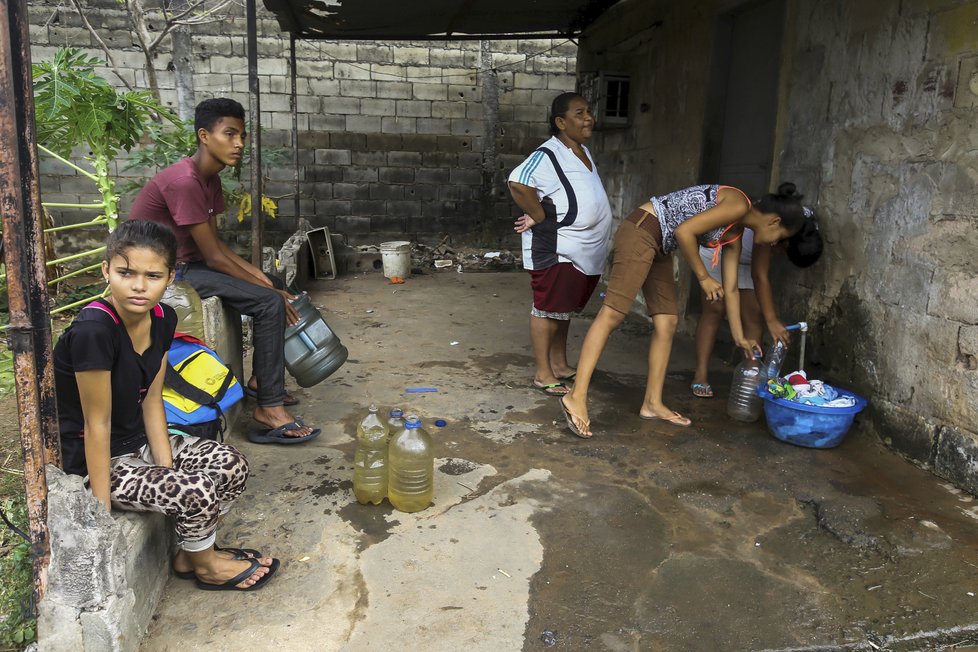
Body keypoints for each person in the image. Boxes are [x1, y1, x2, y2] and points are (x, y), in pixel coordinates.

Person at [54, 220, 280, 591]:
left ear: (171, 277)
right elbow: (97, 425)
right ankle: (207, 566)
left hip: (138, 442)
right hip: (98, 460)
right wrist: (101, 513)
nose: (139, 286)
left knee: (230, 465)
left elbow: (152, 399)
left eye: (153, 275)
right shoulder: (93, 332)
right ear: (106, 270)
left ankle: (191, 553)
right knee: (196, 491)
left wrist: (167, 469)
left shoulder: (162, 319)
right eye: (125, 273)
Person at [129, 98, 318, 445]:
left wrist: (265, 280)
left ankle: (264, 381)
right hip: (163, 274)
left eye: (242, 135)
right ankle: (269, 409)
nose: (239, 143)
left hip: (190, 263)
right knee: (269, 301)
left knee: (272, 285)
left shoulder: (209, 179)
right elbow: (215, 258)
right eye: (229, 134)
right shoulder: (184, 182)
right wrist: (269, 292)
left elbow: (215, 248)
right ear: (204, 135)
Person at [559, 184, 811, 438]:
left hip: (661, 244)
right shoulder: (738, 204)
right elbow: (684, 231)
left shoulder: (735, 233)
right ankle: (576, 396)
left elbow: (731, 289)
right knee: (613, 313)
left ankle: (652, 403)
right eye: (780, 236)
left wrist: (739, 336)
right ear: (774, 221)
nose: (776, 242)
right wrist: (703, 278)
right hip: (643, 229)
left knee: (667, 321)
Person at [508, 92, 613, 396]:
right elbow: (518, 181)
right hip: (557, 247)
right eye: (579, 113)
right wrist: (538, 214)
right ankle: (543, 373)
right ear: (560, 122)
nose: (588, 118)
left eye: (589, 111)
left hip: (584, 249)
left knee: (562, 309)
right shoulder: (548, 154)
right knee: (547, 308)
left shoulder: (582, 150)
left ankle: (560, 364)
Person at [691, 186, 823, 398]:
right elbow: (759, 275)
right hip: (719, 250)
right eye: (780, 249)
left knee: (753, 315)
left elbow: (758, 273)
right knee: (715, 309)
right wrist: (773, 320)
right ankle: (701, 375)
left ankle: (751, 378)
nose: (777, 252)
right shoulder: (769, 225)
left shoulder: (795, 226)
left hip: (741, 259)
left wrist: (768, 318)